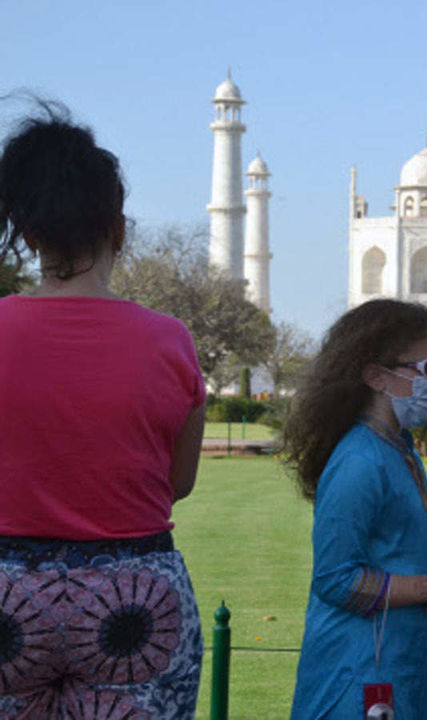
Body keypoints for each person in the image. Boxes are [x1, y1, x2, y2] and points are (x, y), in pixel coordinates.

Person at [0, 107, 206, 715]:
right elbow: (180, 483)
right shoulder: (170, 341)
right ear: (119, 230)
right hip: (134, 599)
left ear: (30, 234)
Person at [285, 299, 427, 720]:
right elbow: (336, 579)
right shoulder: (360, 461)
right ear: (376, 376)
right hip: (356, 681)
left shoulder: (398, 449)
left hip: (397, 669)